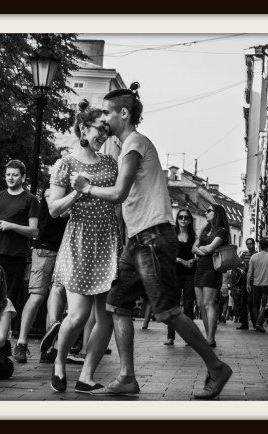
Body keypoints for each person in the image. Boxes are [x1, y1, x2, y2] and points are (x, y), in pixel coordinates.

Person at [70, 82, 232, 399]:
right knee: (117, 305)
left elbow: (119, 193)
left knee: (167, 311)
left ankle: (216, 367)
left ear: (123, 113)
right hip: (137, 240)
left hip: (153, 237)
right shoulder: (126, 146)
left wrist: (86, 188)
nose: (104, 119)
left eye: (107, 113)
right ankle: (126, 377)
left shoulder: (134, 144)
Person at [46, 99, 119, 393]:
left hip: (108, 241)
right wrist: (77, 193)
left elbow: (119, 201)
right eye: (100, 128)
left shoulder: (110, 162)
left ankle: (86, 376)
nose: (104, 134)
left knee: (106, 316)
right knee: (78, 315)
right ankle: (59, 363)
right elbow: (54, 210)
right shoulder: (64, 164)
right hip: (79, 241)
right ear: (83, 128)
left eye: (107, 129)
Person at [0, 160, 39, 334]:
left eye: (15, 175)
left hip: (16, 256)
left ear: (23, 177)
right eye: (8, 174)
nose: (11, 178)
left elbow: (34, 231)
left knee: (8, 297)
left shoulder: (30, 199)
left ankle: (3, 334)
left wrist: (12, 226)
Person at [13, 186, 68, 364]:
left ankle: (48, 348)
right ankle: (21, 343)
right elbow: (59, 213)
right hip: (45, 248)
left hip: (66, 250)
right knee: (37, 296)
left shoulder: (74, 190)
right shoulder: (52, 189)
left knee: (58, 297)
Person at [192, 204, 231, 348]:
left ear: (217, 213)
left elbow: (209, 248)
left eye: (209, 211)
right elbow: (193, 248)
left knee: (209, 303)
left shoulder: (222, 231)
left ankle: (210, 337)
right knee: (201, 304)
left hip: (212, 268)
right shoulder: (205, 230)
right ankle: (208, 336)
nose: (205, 212)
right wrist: (203, 250)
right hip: (200, 267)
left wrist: (202, 249)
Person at [247, 238, 268, 333]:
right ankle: (259, 322)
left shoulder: (254, 257)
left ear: (259, 246)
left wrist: (248, 283)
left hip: (256, 284)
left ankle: (257, 323)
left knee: (255, 305)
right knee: (265, 304)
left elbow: (249, 272)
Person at [236, 238, 256, 329]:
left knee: (251, 302)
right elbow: (237, 264)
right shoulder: (244, 254)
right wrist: (240, 269)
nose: (249, 245)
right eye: (247, 244)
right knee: (242, 302)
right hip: (243, 280)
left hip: (253, 280)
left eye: (251, 243)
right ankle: (244, 323)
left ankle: (255, 322)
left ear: (254, 244)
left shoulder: (257, 255)